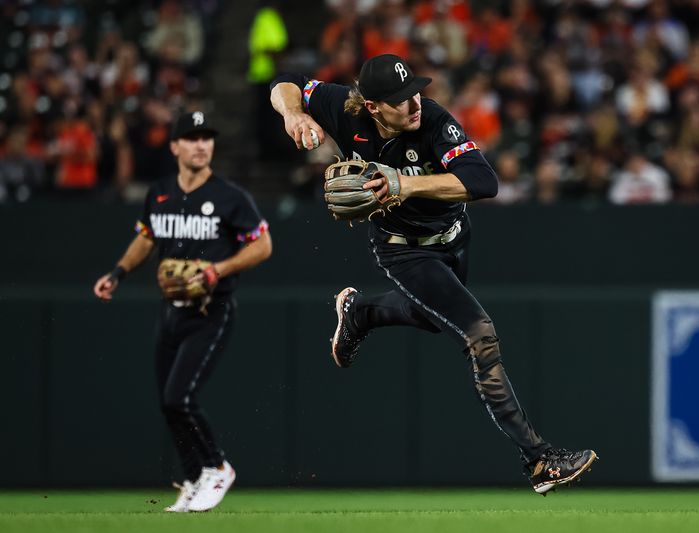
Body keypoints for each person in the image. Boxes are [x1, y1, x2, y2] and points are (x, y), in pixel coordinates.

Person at [269, 54, 596, 494]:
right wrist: (293, 114)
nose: (415, 102)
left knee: (431, 316)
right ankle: (540, 460)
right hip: (403, 251)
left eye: (416, 90)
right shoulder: (344, 109)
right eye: (401, 99)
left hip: (453, 240)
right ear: (373, 106)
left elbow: (483, 181)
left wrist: (405, 184)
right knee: (479, 334)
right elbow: (286, 81)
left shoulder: (434, 121)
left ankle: (361, 314)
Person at [93, 111, 272, 511]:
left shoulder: (230, 197)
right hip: (170, 312)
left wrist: (219, 269)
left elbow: (262, 246)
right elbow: (146, 238)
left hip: (211, 310)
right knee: (168, 403)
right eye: (191, 138)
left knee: (179, 397)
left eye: (206, 137)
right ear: (174, 146)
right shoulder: (159, 193)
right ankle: (193, 480)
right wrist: (118, 272)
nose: (201, 144)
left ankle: (217, 467)